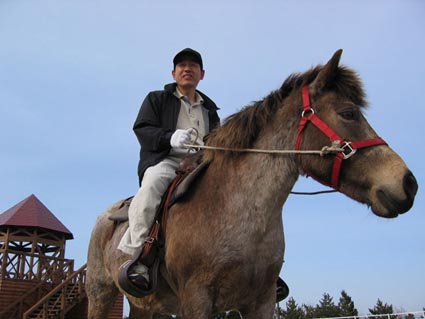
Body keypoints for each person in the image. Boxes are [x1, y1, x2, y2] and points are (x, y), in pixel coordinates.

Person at [118, 48, 220, 289]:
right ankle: (139, 258)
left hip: (201, 165)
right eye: (182, 66)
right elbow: (142, 129)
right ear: (173, 73)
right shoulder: (156, 99)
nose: (187, 69)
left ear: (202, 74)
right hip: (166, 161)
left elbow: (217, 142)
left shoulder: (211, 110)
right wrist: (169, 137)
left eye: (193, 66)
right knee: (151, 186)